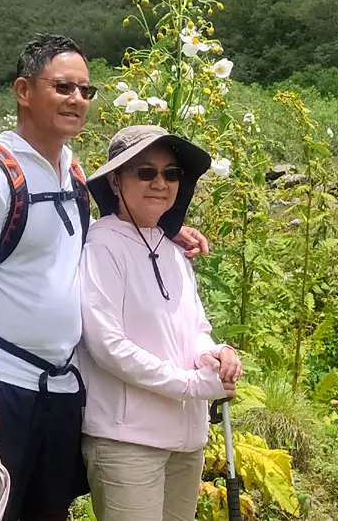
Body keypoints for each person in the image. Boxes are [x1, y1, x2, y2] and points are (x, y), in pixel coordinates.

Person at [0, 34, 211, 521]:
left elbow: (110, 228)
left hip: (62, 390)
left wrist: (170, 230)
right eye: (63, 87)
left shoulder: (71, 174)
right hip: (2, 387)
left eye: (86, 91)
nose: (77, 100)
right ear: (24, 90)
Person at [77, 124, 243, 521]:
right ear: (116, 181)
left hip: (186, 441)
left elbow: (195, 331)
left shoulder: (171, 250)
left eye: (171, 174)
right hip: (127, 441)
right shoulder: (101, 246)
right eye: (146, 172)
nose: (161, 183)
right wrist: (189, 385)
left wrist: (217, 354)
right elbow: (106, 346)